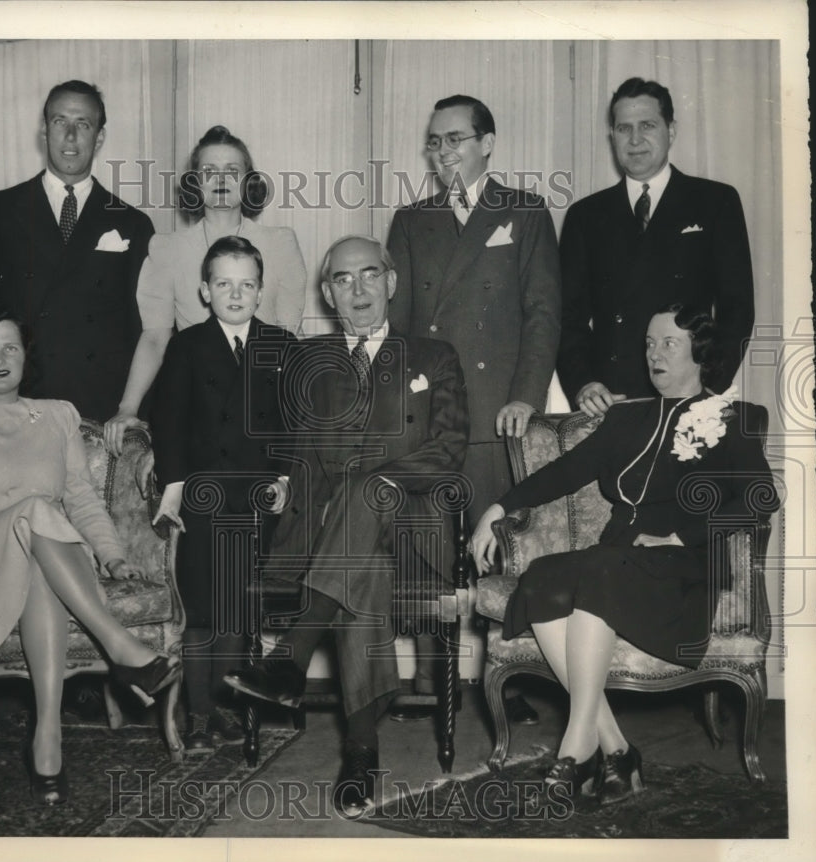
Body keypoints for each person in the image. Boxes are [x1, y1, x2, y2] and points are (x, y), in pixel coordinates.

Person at [470, 303, 777, 806]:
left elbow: (763, 497)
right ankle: (616, 748)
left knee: (597, 572)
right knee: (543, 577)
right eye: (649, 343)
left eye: (668, 344)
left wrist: (682, 538)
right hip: (616, 561)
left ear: (700, 354)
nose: (653, 354)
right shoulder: (628, 417)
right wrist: (497, 509)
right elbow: (566, 471)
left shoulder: (730, 418)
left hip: (682, 567)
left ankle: (576, 748)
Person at [224, 235, 469, 817]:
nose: (357, 290)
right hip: (336, 546)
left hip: (413, 535)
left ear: (390, 281)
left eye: (368, 276)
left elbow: (448, 450)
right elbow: (298, 457)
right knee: (361, 575)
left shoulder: (434, 358)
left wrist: (375, 484)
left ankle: (291, 656)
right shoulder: (310, 362)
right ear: (329, 294)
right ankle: (361, 753)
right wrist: (283, 500)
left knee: (367, 503)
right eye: (341, 279)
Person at [0, 304, 177, 806]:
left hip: (51, 553)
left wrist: (112, 555)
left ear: (24, 356)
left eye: (10, 347)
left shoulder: (57, 414)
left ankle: (48, 732)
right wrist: (17, 514)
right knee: (35, 511)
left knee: (41, 548)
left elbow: (81, 497)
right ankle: (120, 647)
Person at [387, 94, 561, 721]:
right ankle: (440, 688)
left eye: (456, 139)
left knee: (497, 553)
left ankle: (503, 685)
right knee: (434, 555)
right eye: (435, 141)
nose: (444, 152)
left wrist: (526, 397)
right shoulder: (412, 220)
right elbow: (399, 327)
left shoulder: (525, 211)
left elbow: (544, 314)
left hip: (498, 415)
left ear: (488, 143)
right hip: (434, 415)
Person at [147, 235, 295, 752]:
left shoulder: (281, 345)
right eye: (224, 284)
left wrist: (282, 478)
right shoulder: (187, 345)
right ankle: (198, 712)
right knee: (202, 609)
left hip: (256, 500)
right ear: (205, 291)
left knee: (238, 608)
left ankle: (228, 707)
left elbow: (292, 427)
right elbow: (169, 422)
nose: (236, 293)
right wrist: (173, 489)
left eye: (247, 284)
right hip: (203, 499)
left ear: (260, 291)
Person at [0, 80, 155, 425]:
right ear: (44, 131)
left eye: (84, 124)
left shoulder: (134, 223)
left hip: (99, 407)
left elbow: (142, 332)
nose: (71, 136)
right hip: (17, 402)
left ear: (100, 137)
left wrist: (131, 411)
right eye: (60, 122)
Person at [557, 76, 755, 417]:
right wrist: (583, 383)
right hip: (611, 402)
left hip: (689, 396)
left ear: (671, 130)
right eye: (623, 128)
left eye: (647, 125)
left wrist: (709, 389)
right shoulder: (585, 215)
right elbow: (566, 318)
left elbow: (737, 310)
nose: (635, 140)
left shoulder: (715, 201)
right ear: (612, 136)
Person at [104, 125, 306, 456]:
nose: (221, 180)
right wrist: (128, 407)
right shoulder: (167, 248)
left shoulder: (281, 243)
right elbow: (155, 337)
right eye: (209, 171)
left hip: (265, 409)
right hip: (198, 412)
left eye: (232, 171)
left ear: (248, 182)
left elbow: (286, 336)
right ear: (195, 184)